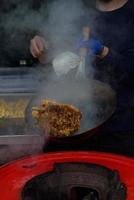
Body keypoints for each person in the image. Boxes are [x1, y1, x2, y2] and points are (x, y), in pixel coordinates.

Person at [30, 0, 134, 156]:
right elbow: (58, 63)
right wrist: (43, 50)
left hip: (119, 130)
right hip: (75, 127)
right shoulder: (78, 8)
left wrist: (103, 51)